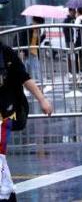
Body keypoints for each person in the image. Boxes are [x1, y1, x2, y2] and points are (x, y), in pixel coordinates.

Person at [0, 41, 53, 201]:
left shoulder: (5, 53)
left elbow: (24, 77)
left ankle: (6, 193)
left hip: (4, 112)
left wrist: (42, 99)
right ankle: (7, 192)